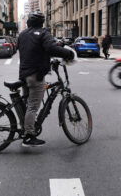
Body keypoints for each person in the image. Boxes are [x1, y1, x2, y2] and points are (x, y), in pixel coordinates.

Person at [18, 11, 75, 147]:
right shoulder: (44, 33)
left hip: (24, 74)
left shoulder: (22, 34)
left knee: (27, 103)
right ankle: (29, 135)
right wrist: (68, 53)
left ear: (29, 23)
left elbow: (35, 48)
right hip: (35, 75)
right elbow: (49, 47)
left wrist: (57, 45)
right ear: (42, 22)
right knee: (33, 105)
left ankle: (25, 127)